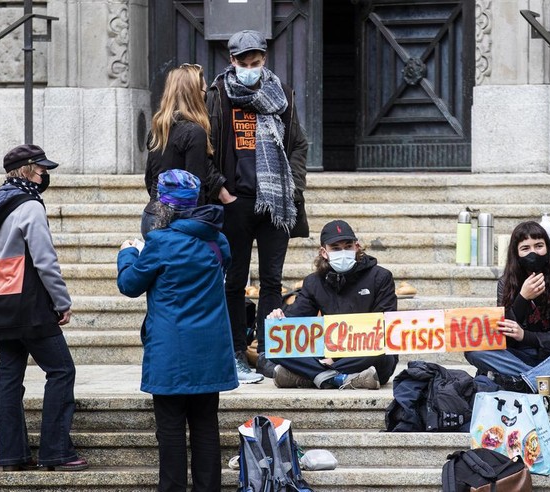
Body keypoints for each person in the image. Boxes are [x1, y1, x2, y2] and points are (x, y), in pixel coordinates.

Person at [117, 169, 241, 492]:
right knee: (205, 428)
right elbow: (223, 266)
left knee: (171, 432)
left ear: (164, 205)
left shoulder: (159, 245)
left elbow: (129, 284)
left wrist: (128, 253)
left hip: (170, 354)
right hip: (209, 352)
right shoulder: (218, 240)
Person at [0, 144, 88, 472]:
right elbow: (45, 260)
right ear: (27, 170)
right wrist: (62, 302)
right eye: (41, 170)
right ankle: (56, 452)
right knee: (62, 371)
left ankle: (13, 455)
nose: (45, 175)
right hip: (30, 301)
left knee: (9, 377)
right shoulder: (30, 205)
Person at [206, 29, 309, 382]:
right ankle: (236, 349)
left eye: (255, 62)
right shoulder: (218, 95)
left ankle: (266, 352)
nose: (249, 68)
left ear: (263, 59)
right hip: (235, 202)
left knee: (271, 282)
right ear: (231, 61)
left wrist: (292, 187)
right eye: (242, 62)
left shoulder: (281, 94)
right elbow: (205, 148)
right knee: (233, 282)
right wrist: (221, 191)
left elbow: (298, 143)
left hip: (275, 204)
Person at [265, 220, 398, 389]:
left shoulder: (381, 277)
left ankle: (311, 376)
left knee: (382, 354)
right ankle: (342, 379)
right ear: (324, 252)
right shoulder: (313, 282)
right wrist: (280, 319)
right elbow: (296, 322)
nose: (343, 252)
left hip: (366, 352)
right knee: (276, 348)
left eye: (348, 246)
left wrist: (334, 359)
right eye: (335, 248)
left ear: (357, 247)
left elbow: (385, 327)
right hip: (329, 352)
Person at [463, 221, 550, 393]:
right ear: (516, 254)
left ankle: (526, 380)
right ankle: (543, 379)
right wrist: (522, 298)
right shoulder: (506, 283)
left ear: (548, 248)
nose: (533, 253)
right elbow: (503, 334)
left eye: (539, 246)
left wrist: (526, 336)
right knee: (473, 349)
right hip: (518, 357)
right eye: (525, 248)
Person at [142, 63, 229, 238]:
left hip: (152, 216)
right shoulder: (194, 132)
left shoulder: (158, 130)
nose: (206, 98)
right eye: (204, 92)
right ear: (195, 95)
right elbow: (195, 188)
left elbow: (150, 179)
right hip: (180, 223)